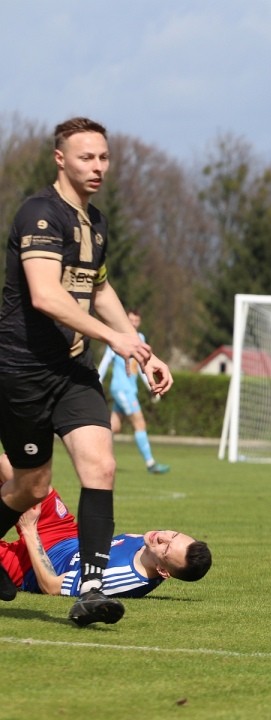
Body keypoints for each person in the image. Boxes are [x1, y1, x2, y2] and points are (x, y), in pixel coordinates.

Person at [0, 117, 173, 626]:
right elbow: (45, 295)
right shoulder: (39, 214)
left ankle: (93, 589)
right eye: (85, 157)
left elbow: (98, 290)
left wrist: (142, 349)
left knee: (101, 466)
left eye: (103, 157)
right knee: (30, 487)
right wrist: (113, 338)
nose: (97, 167)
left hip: (73, 370)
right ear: (60, 159)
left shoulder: (94, 222)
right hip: (23, 371)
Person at [0, 457, 210, 601]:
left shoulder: (122, 577)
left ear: (163, 571)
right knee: (14, 467)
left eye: (165, 548)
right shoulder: (147, 542)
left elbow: (51, 586)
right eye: (172, 535)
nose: (161, 537)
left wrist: (29, 530)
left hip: (31, 567)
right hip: (63, 533)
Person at [98, 309, 170, 475]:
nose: (133, 323)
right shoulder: (118, 338)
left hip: (129, 390)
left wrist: (152, 386)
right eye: (130, 320)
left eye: (136, 321)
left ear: (139, 322)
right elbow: (105, 362)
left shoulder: (141, 339)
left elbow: (143, 367)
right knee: (139, 423)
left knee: (113, 427)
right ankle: (151, 463)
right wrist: (96, 381)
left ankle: (95, 455)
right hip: (122, 390)